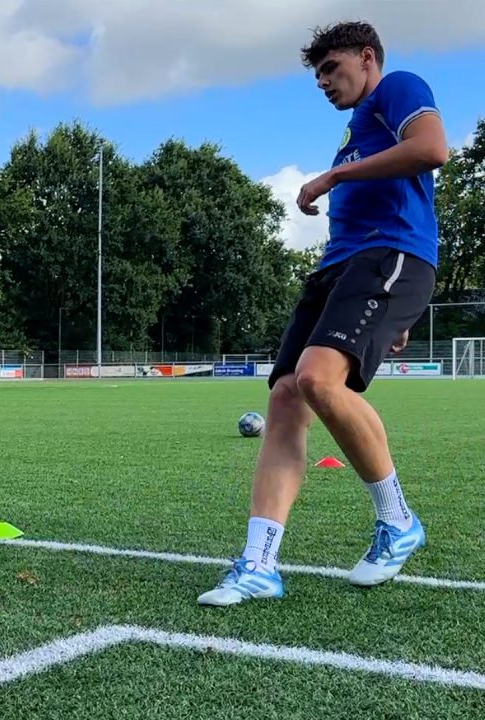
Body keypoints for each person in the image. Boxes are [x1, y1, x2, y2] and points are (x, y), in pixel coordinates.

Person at [198, 22, 449, 607]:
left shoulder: (398, 89)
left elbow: (433, 148)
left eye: (332, 70)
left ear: (367, 58)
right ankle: (259, 564)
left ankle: (398, 521)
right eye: (317, 78)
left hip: (390, 255)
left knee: (316, 379)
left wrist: (335, 174)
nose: (325, 83)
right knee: (287, 394)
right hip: (341, 269)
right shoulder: (358, 128)